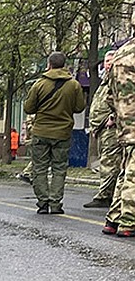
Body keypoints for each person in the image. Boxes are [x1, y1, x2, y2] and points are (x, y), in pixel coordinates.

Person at [23, 51, 86, 214]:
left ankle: (42, 203)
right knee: (59, 169)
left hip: (41, 132)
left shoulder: (39, 84)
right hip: (63, 133)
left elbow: (28, 108)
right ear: (64, 65)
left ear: (49, 65)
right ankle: (56, 204)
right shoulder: (74, 85)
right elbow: (80, 107)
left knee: (40, 168)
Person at [103, 25, 135, 237]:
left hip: (125, 125)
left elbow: (108, 95)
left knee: (125, 172)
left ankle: (113, 219)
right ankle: (128, 221)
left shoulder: (120, 54)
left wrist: (119, 113)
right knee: (132, 175)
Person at [86, 50, 120, 209]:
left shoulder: (120, 77)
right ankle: (108, 193)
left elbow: (123, 99)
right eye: (106, 61)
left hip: (112, 129)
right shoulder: (105, 80)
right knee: (104, 161)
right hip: (100, 128)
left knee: (109, 162)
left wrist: (113, 117)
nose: (108, 64)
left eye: (111, 61)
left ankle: (105, 196)